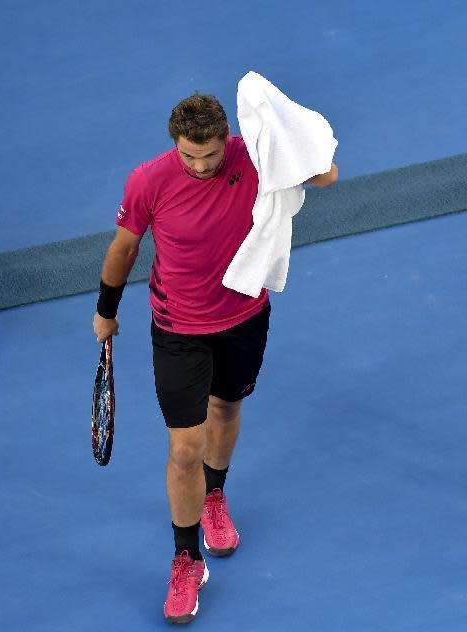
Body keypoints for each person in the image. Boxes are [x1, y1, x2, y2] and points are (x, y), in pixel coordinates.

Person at [92, 93, 338, 623]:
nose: (201, 167)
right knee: (185, 448)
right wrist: (106, 310)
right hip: (178, 328)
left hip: (246, 316)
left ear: (225, 138)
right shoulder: (147, 181)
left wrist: (287, 137)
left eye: (209, 156)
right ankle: (186, 559)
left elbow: (328, 176)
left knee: (226, 409)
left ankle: (215, 496)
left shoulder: (253, 155)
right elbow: (124, 248)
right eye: (189, 157)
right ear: (174, 143)